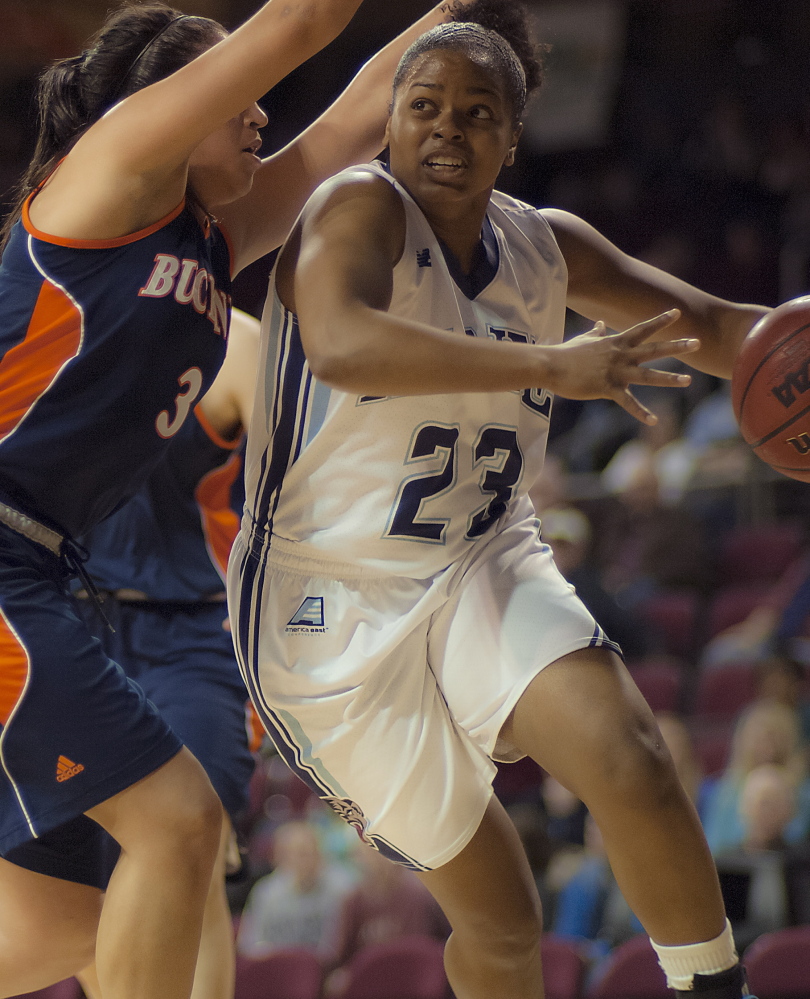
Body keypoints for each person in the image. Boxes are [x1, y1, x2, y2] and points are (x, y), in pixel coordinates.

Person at [228, 3, 769, 997]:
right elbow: (344, 343)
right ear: (391, 124)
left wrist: (790, 346)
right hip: (327, 607)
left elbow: (720, 327)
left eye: (478, 112)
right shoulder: (354, 208)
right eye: (424, 106)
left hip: (480, 553)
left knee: (632, 754)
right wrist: (553, 366)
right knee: (507, 927)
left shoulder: (546, 247)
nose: (446, 128)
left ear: (514, 137)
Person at [0, 1, 472, 996]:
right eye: (240, 96)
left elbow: (349, 125)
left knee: (63, 929)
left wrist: (456, 17)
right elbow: (302, 20)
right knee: (177, 827)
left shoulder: (209, 235)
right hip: (10, 560)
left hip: (39, 567)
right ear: (172, 102)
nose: (261, 116)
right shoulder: (111, 168)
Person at [237, 819, 355, 960]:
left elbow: (342, 949)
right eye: (296, 854)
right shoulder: (267, 892)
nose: (304, 861)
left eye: (308, 852)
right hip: (278, 970)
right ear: (279, 859)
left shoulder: (342, 889)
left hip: (322, 971)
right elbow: (250, 944)